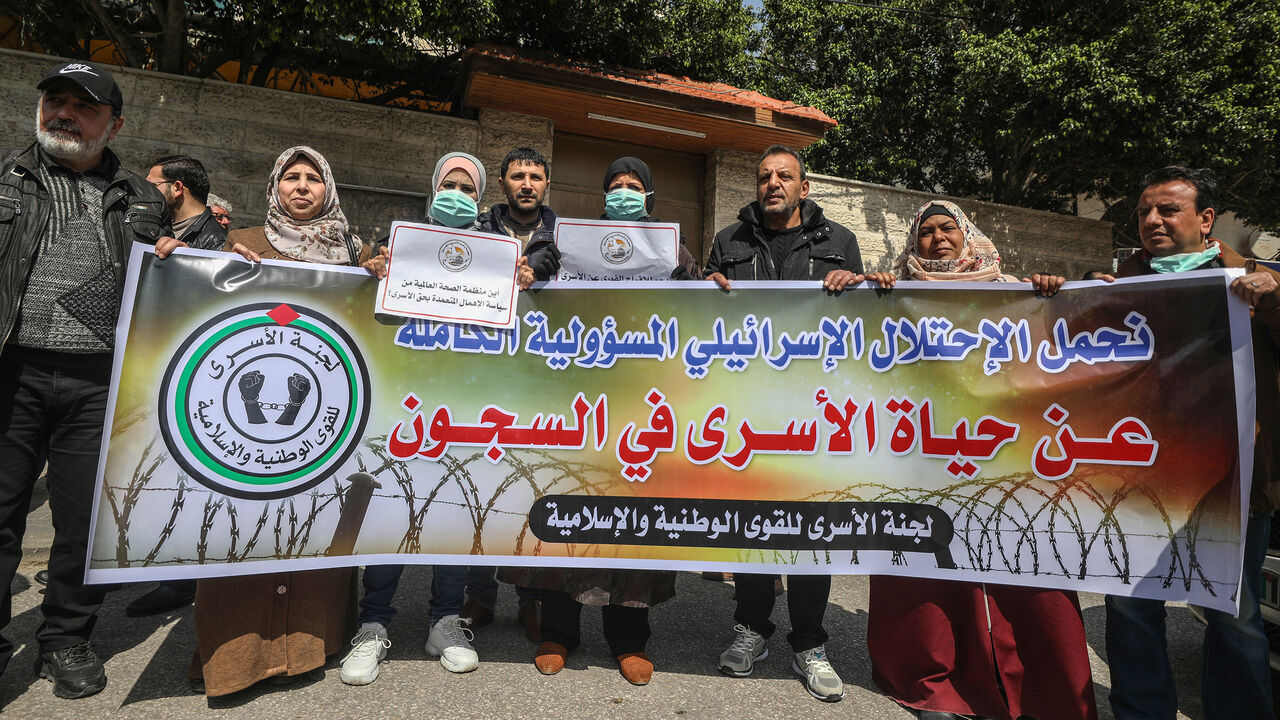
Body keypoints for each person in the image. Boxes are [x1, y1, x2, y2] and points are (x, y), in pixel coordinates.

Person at [867, 199, 1094, 720]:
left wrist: (1052, 294)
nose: (938, 238)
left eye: (948, 228)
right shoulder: (890, 294)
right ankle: (934, 681)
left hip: (1002, 448)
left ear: (967, 234)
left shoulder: (1012, 291)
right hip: (922, 452)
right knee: (929, 571)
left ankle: (1038, 686)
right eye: (926, 232)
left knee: (1025, 567)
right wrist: (855, 292)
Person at [0, 60, 183, 700]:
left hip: (101, 383)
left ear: (114, 124)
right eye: (56, 100)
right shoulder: (6, 180)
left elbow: (177, 272)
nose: (65, 114)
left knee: (83, 521)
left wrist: (196, 257)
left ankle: (65, 638)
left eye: (84, 107)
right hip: (12, 374)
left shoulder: (142, 198)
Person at [705, 144, 893, 703]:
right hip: (750, 406)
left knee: (814, 530)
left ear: (803, 188)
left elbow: (860, 320)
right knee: (754, 525)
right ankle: (751, 629)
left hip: (815, 411)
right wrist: (702, 285)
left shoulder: (838, 240)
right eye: (764, 176)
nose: (773, 184)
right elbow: (698, 308)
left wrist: (861, 283)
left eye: (784, 176)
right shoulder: (729, 241)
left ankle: (810, 643)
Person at [503, 156, 700, 687]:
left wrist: (714, 283)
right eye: (616, 185)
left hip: (640, 398)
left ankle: (628, 641)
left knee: (631, 521)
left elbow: (700, 297)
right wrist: (531, 271)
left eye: (634, 186)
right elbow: (543, 269)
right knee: (567, 508)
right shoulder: (573, 240)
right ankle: (558, 633)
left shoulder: (669, 246)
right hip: (577, 395)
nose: (624, 193)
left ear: (649, 196)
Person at [1091, 166, 1278, 720]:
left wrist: (1274, 298)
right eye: (1144, 211)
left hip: (1231, 482)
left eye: (1168, 209)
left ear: (1206, 219)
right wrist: (1061, 296)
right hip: (1135, 478)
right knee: (1130, 608)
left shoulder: (1257, 283)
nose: (1153, 220)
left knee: (1235, 617)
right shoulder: (1114, 287)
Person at [189, 146, 370, 698]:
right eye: (291, 176)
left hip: (328, 409)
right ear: (274, 186)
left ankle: (310, 648)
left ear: (328, 189)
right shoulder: (241, 241)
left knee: (317, 521)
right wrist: (177, 257)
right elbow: (187, 298)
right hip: (245, 416)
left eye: (314, 178)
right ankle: (234, 663)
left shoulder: (355, 251)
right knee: (243, 528)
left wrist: (381, 273)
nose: (302, 186)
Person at [345, 151, 518, 685]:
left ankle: (445, 621)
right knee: (390, 510)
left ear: (480, 198)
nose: (457, 196)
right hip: (404, 401)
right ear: (432, 188)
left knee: (454, 513)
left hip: (464, 404)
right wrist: (371, 271)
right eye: (450, 185)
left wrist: (526, 279)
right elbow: (363, 306)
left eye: (468, 189)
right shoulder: (401, 246)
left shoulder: (499, 254)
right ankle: (373, 625)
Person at [462, 147, 560, 640]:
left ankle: (531, 599)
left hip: (541, 377)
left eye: (535, 176)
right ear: (502, 183)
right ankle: (479, 596)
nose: (527, 183)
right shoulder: (475, 230)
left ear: (546, 185)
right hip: (482, 375)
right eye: (518, 175)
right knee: (481, 488)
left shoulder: (566, 236)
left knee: (531, 490)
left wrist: (538, 274)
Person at [144, 155, 227, 251]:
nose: (146, 192)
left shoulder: (215, 241)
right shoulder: (157, 224)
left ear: (177, 188)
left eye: (152, 186)